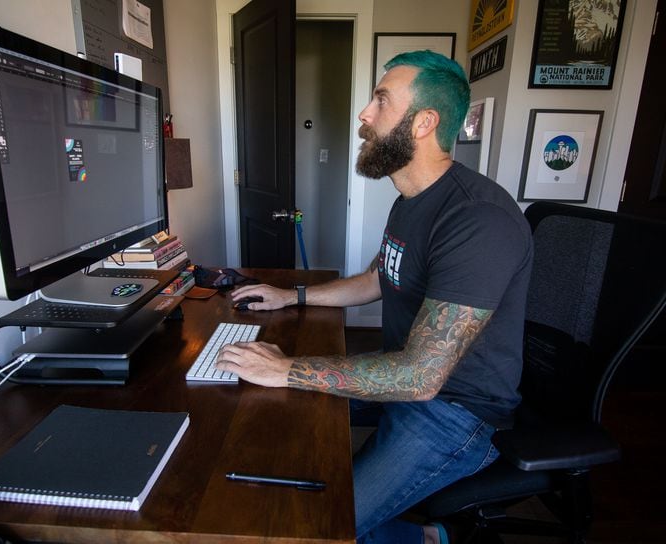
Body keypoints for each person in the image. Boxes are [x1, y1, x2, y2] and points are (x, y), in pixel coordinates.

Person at [216, 49, 534, 544]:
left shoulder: (477, 220)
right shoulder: (412, 200)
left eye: (381, 100)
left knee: (320, 528)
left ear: (424, 121)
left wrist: (286, 368)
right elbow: (378, 279)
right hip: (407, 387)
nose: (364, 114)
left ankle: (425, 538)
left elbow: (420, 377)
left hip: (456, 414)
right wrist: (292, 295)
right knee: (274, 421)